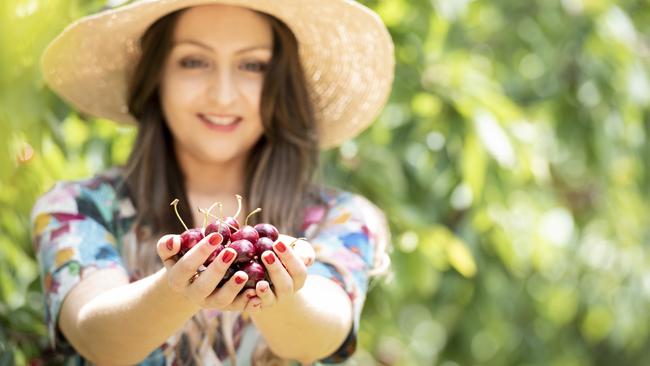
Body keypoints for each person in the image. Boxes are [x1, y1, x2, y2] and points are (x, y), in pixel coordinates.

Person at [32, 0, 394, 364]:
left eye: (252, 65)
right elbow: (98, 338)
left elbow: (320, 335)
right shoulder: (77, 208)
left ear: (280, 83)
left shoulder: (340, 218)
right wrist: (178, 288)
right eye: (194, 61)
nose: (222, 94)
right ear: (156, 74)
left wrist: (272, 287)